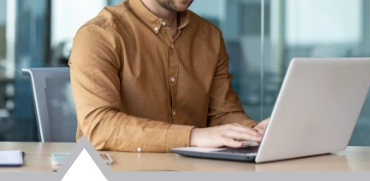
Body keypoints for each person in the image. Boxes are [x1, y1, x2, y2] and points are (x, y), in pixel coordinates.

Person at [69, 0, 269, 153]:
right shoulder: (98, 35)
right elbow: (99, 126)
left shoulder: (210, 36)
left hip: (190, 169)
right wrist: (192, 136)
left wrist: (255, 131)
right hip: (117, 172)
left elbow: (222, 114)